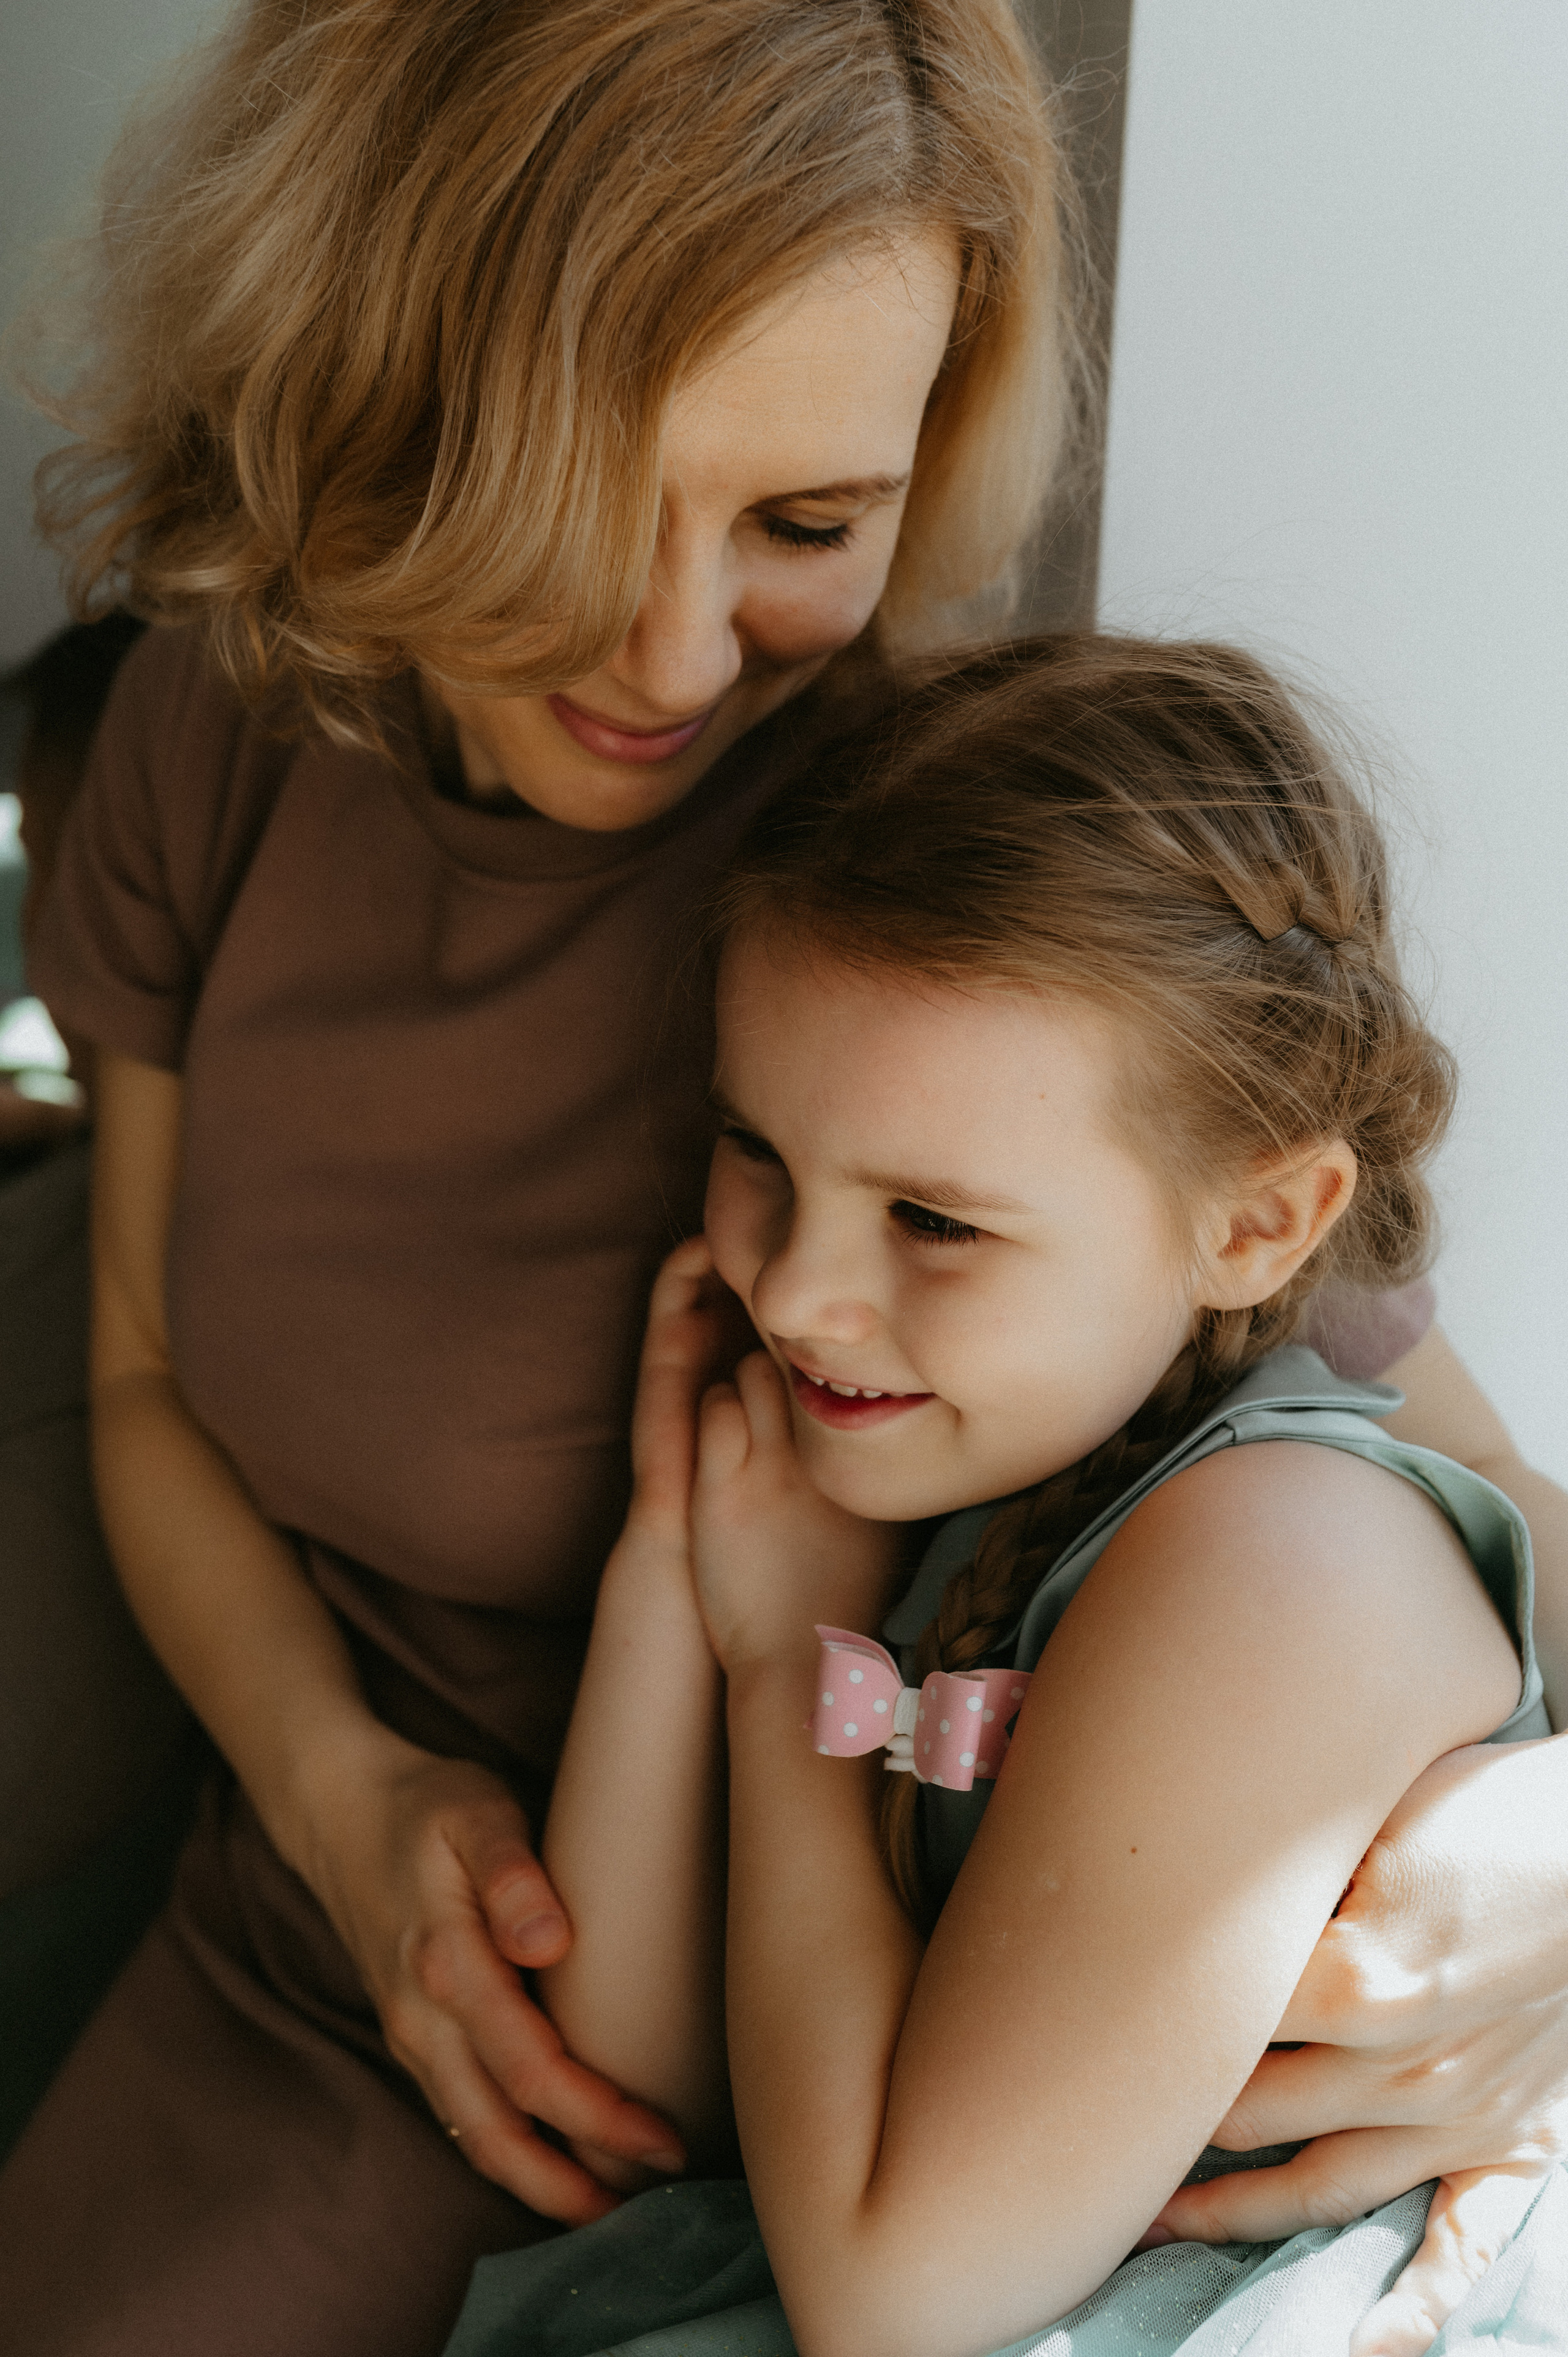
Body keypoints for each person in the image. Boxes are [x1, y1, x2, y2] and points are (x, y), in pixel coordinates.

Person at [0, 2, 1561, 2352]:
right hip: (314, 1865)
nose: (672, 649)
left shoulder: (933, 905)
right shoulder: (220, 725)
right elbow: (133, 1377)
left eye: (807, 523)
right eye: (568, 508)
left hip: (667, 2042)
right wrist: (342, 1800)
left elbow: (1461, 1487)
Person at [512, 637, 1568, 2357]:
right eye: (757, 1152)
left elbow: (893, 2293)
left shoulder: (1280, 1556)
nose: (793, 1293)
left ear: (1254, 1226)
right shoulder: (973, 1429)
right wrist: (674, 1566)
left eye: (937, 1221)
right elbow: (635, 2088)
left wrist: (794, 1676)